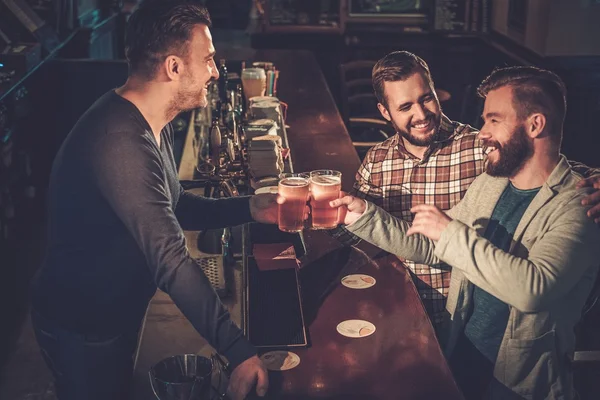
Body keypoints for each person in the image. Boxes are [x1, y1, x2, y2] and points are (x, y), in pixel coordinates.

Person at [30, 1, 277, 399]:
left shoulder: (148, 121)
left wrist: (250, 207)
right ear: (174, 67)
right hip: (84, 328)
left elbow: (175, 206)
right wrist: (239, 351)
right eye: (208, 59)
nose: (215, 71)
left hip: (113, 314)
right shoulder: (120, 141)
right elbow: (171, 260)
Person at [332, 66, 600, 399]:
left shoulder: (581, 203)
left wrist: (450, 233)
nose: (483, 133)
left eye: (493, 120)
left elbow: (534, 290)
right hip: (461, 353)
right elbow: (434, 248)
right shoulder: (491, 182)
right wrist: (365, 216)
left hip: (517, 384)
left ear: (535, 124)